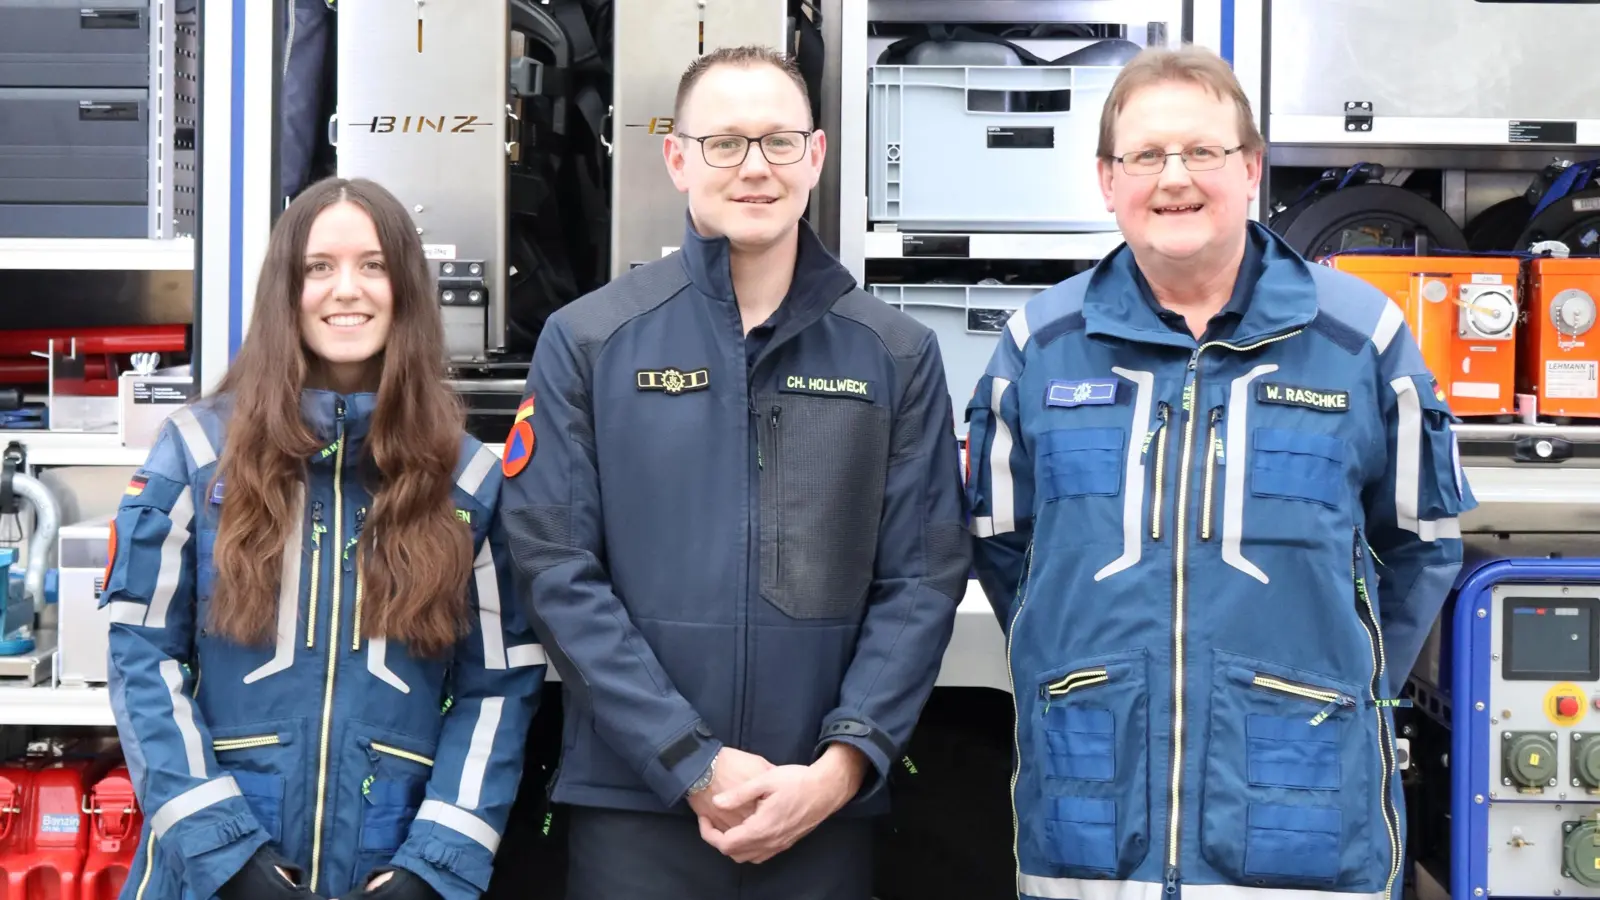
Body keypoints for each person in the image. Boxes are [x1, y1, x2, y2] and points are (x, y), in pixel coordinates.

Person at [964, 45, 1476, 900]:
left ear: (1250, 168)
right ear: (1105, 178)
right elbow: (1006, 546)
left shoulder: (1360, 340)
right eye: (1145, 156)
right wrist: (1086, 664)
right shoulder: (1039, 348)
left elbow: (1418, 545)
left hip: (1302, 816)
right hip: (1091, 823)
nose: (1175, 178)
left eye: (1202, 152)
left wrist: (1335, 683)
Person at [498, 44, 969, 899]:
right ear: (677, 158)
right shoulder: (588, 342)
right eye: (724, 143)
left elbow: (923, 579)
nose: (755, 167)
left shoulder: (897, 354)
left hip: (820, 812)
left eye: (779, 142)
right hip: (636, 809)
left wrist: (839, 768)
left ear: (816, 157)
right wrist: (690, 761)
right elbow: (556, 571)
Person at [102, 177, 545, 900]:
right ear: (286, 289)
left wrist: (434, 866)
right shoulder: (195, 453)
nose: (348, 290)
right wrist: (223, 854)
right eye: (319, 267)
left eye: (373, 265)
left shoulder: (467, 480)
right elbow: (141, 659)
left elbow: (499, 687)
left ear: (405, 287)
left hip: (389, 863)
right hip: (211, 870)